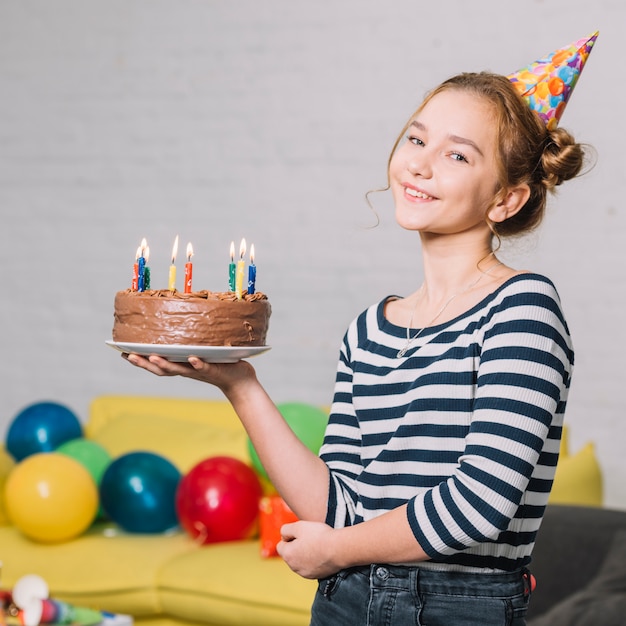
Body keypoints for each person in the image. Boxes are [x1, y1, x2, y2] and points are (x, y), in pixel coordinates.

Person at [124, 32, 598, 626]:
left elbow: (481, 503)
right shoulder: (370, 329)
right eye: (417, 138)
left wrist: (337, 551)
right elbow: (337, 505)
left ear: (506, 198)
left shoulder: (522, 308)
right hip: (345, 601)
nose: (420, 162)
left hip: (458, 607)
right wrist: (239, 383)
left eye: (458, 154)